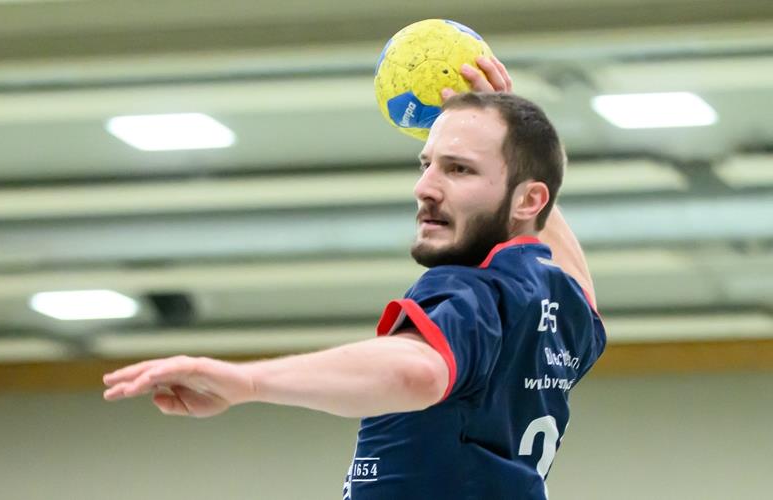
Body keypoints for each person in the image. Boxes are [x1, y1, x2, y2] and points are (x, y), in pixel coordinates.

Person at [103, 57, 606, 499]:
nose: (425, 187)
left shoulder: (471, 290)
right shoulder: (558, 305)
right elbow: (577, 279)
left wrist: (247, 381)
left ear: (528, 199)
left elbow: (419, 371)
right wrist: (517, 139)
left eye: (458, 170)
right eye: (427, 164)